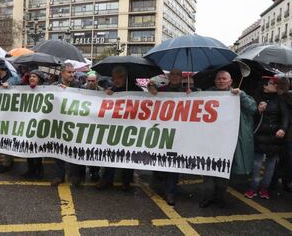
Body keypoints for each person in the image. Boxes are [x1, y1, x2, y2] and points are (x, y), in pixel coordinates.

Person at [199, 70, 256, 208]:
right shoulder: (207, 94)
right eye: (219, 78)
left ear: (230, 81)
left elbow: (252, 108)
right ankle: (207, 197)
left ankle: (219, 197)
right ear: (215, 81)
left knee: (223, 171)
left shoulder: (238, 94)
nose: (221, 81)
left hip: (227, 141)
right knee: (208, 170)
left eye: (224, 78)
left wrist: (241, 96)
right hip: (210, 141)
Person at [147, 68, 191, 206]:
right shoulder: (162, 90)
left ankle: (170, 192)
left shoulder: (187, 91)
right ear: (168, 76)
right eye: (173, 74)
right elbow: (150, 87)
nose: (175, 77)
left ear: (182, 77)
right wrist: (151, 88)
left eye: (178, 75)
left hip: (179, 133)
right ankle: (161, 183)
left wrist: (192, 96)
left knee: (173, 164)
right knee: (160, 161)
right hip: (162, 131)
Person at [96, 66, 142, 191]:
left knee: (128, 155)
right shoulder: (113, 90)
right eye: (114, 78)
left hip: (130, 128)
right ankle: (107, 180)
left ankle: (126, 182)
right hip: (114, 129)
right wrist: (109, 95)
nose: (116, 81)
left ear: (125, 77)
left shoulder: (136, 90)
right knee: (111, 154)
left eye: (119, 78)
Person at [244, 77, 288, 199]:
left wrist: (283, 129)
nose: (266, 85)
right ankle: (253, 188)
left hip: (274, 137)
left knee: (270, 165)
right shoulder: (258, 97)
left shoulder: (280, 99)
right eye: (268, 83)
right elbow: (250, 115)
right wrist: (258, 110)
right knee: (256, 165)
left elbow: (285, 116)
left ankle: (264, 189)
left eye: (271, 84)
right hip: (259, 136)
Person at [51, 63, 84, 187]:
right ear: (62, 73)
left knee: (74, 149)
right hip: (59, 123)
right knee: (58, 149)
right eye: (69, 72)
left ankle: (75, 176)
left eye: (73, 72)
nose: (72, 75)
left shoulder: (78, 85)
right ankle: (59, 176)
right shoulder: (54, 87)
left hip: (74, 123)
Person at [21, 70, 45, 179]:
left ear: (39, 79)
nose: (31, 78)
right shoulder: (24, 89)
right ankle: (30, 169)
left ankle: (39, 171)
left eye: (34, 76)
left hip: (39, 124)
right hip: (27, 123)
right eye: (30, 76)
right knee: (28, 147)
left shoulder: (47, 90)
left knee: (37, 149)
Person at [83, 72, 103, 182]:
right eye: (89, 81)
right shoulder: (80, 90)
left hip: (96, 125)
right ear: (86, 80)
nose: (91, 83)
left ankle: (95, 171)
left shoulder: (102, 91)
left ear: (96, 81)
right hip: (85, 124)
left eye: (93, 81)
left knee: (95, 149)